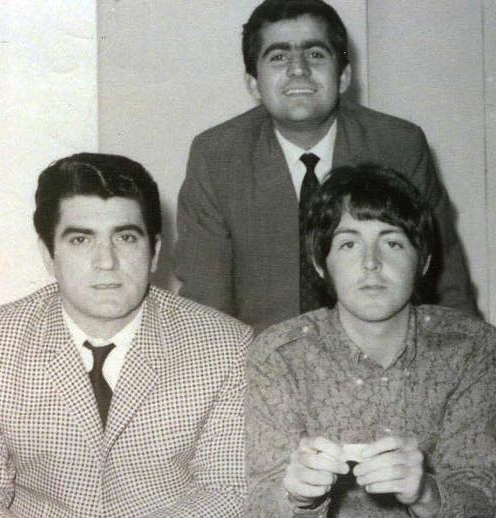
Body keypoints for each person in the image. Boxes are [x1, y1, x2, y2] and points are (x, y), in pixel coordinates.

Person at [0, 153, 250, 518]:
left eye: (126, 238)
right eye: (80, 239)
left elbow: (233, 497)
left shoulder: (223, 345)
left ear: (155, 251)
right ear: (48, 254)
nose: (106, 261)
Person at [242, 164, 496, 518]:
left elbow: (483, 506)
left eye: (392, 243)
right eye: (348, 244)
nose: (370, 263)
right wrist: (298, 494)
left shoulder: (472, 347)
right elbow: (261, 509)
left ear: (423, 261)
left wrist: (424, 492)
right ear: (321, 264)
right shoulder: (280, 353)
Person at [175, 0, 475, 333]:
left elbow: (447, 283)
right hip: (263, 354)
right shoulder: (217, 157)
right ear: (253, 84)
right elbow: (206, 305)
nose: (298, 69)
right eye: (278, 57)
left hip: (383, 351)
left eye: (315, 54)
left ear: (344, 76)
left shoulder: (398, 146)